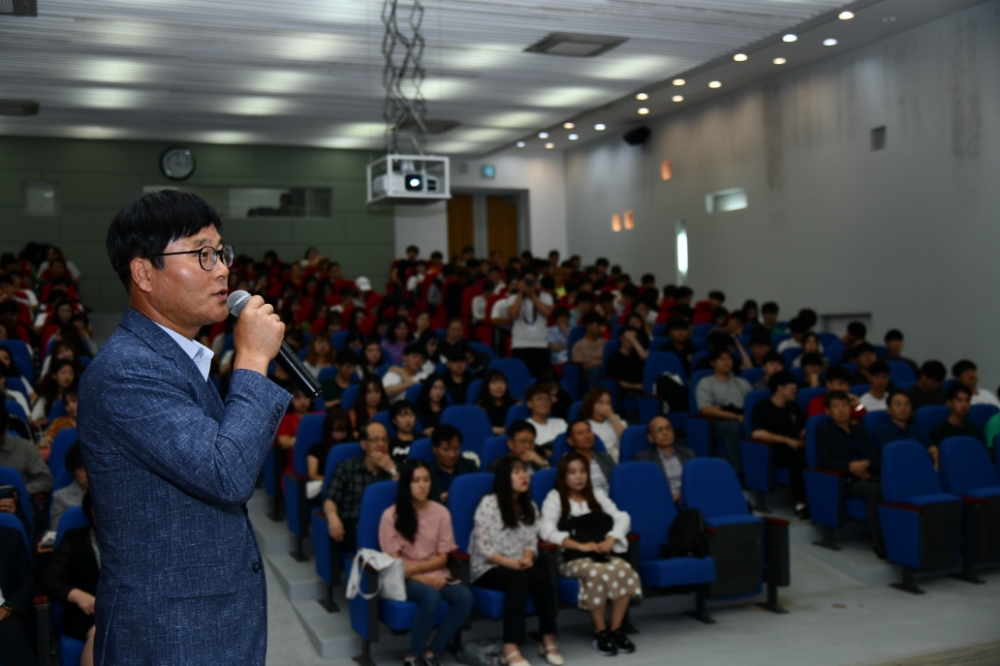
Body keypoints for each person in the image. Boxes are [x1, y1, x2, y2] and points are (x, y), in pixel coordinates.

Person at [78, 190, 291, 665]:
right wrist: (254, 359)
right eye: (202, 253)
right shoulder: (126, 371)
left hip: (204, 626)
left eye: (221, 252)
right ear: (143, 273)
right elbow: (227, 475)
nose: (222, 269)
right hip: (169, 636)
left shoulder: (177, 358)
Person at [538, 452, 639, 657]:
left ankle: (616, 630)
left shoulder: (597, 495)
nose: (579, 477)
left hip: (601, 554)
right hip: (571, 558)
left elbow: (622, 517)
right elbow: (546, 530)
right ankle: (600, 632)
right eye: (573, 472)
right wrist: (579, 546)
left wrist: (611, 539)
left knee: (624, 569)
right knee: (596, 573)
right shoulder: (555, 497)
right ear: (564, 476)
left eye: (582, 471)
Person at [379, 460, 473, 666]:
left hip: (434, 571)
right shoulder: (390, 516)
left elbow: (443, 557)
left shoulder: (441, 512)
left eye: (426, 480)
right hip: (404, 577)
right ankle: (414, 655)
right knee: (431, 597)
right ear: (406, 484)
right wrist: (425, 579)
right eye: (416, 481)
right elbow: (395, 564)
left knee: (464, 597)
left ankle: (433, 652)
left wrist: (421, 570)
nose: (422, 486)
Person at [470, 456, 561, 666]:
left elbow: (531, 540)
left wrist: (528, 557)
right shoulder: (489, 504)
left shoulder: (529, 505)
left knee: (540, 576)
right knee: (519, 581)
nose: (525, 475)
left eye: (525, 471)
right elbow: (483, 548)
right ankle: (510, 646)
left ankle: (547, 637)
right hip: (488, 566)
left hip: (519, 563)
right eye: (517, 471)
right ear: (504, 477)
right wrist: (514, 564)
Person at [815, 391, 885, 558]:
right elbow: (824, 461)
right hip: (844, 480)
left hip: (867, 474)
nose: (841, 410)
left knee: (893, 485)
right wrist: (851, 467)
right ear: (828, 411)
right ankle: (880, 544)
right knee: (875, 491)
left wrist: (866, 464)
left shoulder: (860, 431)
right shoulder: (823, 431)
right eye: (836, 407)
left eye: (845, 405)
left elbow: (874, 456)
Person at [41, 491, 100, 666]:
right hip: (86, 612)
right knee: (102, 632)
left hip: (125, 609)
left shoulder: (132, 540)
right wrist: (76, 595)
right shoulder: (74, 539)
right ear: (92, 510)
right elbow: (47, 580)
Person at [324, 422, 398, 553]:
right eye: (375, 440)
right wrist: (332, 516)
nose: (381, 444)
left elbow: (409, 496)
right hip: (355, 523)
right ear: (363, 444)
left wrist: (392, 469)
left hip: (390, 525)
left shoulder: (395, 468)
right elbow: (330, 498)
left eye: (384, 439)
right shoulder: (347, 467)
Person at [750, 371, 809, 519]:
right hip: (773, 450)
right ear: (780, 388)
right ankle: (800, 503)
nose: (795, 390)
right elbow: (757, 433)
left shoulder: (793, 407)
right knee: (797, 458)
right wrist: (787, 440)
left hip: (797, 445)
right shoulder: (762, 407)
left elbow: (802, 428)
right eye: (791, 387)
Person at [695, 348, 752, 472]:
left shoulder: (742, 382)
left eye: (729, 358)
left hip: (742, 417)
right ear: (713, 363)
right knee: (733, 427)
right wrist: (735, 417)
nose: (727, 362)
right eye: (722, 359)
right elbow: (706, 409)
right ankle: (738, 471)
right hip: (718, 423)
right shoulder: (705, 383)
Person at [0, 511, 37, 666]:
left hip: (4, 612)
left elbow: (28, 582)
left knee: (10, 634)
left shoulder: (10, 538)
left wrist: (8, 607)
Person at [505, 269, 555, 377]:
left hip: (541, 344)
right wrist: (521, 293)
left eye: (532, 281)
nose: (529, 283)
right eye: (526, 281)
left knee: (543, 380)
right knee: (521, 378)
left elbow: (547, 312)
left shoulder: (546, 297)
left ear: (536, 282)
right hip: (520, 345)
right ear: (520, 282)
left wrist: (532, 295)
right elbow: (513, 315)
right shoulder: (513, 297)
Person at [634, 417, 694, 502]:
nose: (665, 432)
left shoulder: (688, 454)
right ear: (650, 438)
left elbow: (697, 482)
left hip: (690, 499)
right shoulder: (643, 459)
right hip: (663, 502)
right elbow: (646, 488)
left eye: (668, 428)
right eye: (658, 429)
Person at [0, 402, 54, 496]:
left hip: (16, 503)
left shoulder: (26, 448)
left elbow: (45, 480)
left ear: (7, 426)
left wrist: (18, 492)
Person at [873, 391, 937, 468]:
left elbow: (932, 449)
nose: (903, 408)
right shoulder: (883, 432)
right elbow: (888, 459)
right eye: (898, 404)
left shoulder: (915, 429)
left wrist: (936, 464)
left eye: (907, 404)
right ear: (889, 409)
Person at [427, 424, 478, 504]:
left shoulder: (470, 466)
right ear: (434, 449)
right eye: (446, 450)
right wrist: (440, 498)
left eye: (456, 448)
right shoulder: (427, 472)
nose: (452, 455)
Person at [307, 408, 352, 494]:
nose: (340, 434)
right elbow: (313, 475)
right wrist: (333, 481)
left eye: (343, 431)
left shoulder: (351, 448)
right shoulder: (316, 449)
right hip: (327, 486)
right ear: (329, 429)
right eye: (336, 431)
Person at [564, 420, 616, 494]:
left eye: (589, 431)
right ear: (570, 441)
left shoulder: (606, 458)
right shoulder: (568, 463)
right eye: (580, 433)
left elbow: (619, 483)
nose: (587, 436)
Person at [579, 387, 627, 463]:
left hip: (620, 458)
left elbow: (626, 439)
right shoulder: (585, 425)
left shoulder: (615, 419)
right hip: (601, 461)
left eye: (608, 403)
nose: (605, 407)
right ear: (592, 404)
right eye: (601, 402)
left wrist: (611, 416)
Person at [49, 442, 88, 533]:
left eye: (92, 468)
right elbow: (56, 531)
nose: (88, 474)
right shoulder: (61, 498)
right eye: (82, 470)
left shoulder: (113, 492)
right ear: (73, 471)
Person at [524, 384, 567, 454]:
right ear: (530, 404)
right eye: (539, 399)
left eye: (548, 399)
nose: (544, 402)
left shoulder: (560, 422)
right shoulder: (525, 427)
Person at [571, 312, 606, 390]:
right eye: (596, 326)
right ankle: (592, 397)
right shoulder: (579, 346)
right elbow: (581, 366)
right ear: (588, 326)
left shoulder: (605, 343)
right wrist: (598, 364)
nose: (598, 328)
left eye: (599, 326)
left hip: (604, 370)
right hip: (588, 373)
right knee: (595, 371)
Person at [477, 369, 519, 435]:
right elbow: (480, 428)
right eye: (494, 383)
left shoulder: (515, 403)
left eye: (502, 382)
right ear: (486, 386)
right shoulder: (481, 406)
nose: (499, 386)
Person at [605, 327, 647, 393]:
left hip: (641, 388)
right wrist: (636, 386)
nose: (632, 341)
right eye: (630, 338)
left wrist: (633, 341)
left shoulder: (637, 355)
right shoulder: (614, 358)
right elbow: (616, 382)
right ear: (622, 338)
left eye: (635, 338)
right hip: (626, 390)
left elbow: (645, 358)